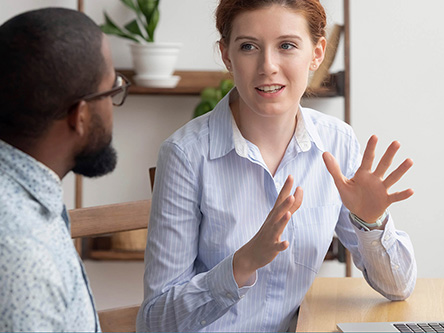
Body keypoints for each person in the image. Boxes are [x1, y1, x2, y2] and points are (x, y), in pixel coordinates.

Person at [137, 0, 417, 331]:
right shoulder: (185, 155)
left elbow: (398, 288)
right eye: (248, 47)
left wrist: (371, 223)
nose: (267, 65)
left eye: (286, 45)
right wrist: (241, 264)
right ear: (227, 55)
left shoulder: (337, 143)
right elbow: (153, 322)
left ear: (316, 53)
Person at [0, 8, 130, 332]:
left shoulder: (28, 196)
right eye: (112, 89)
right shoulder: (24, 255)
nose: (114, 104)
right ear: (81, 116)